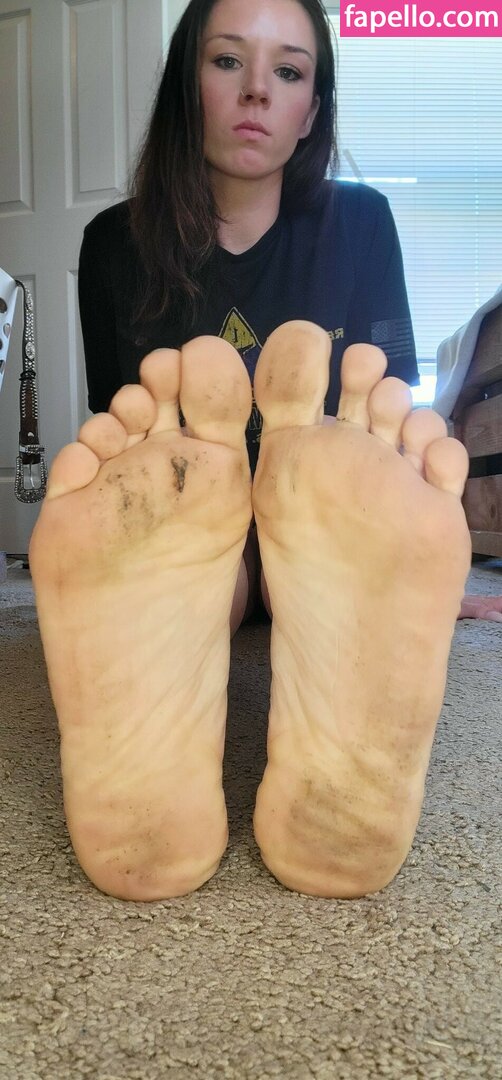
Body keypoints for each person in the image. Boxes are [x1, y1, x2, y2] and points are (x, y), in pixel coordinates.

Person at [28, 0, 482, 903]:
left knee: (293, 545)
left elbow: (384, 416)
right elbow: (126, 449)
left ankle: (327, 602)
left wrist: (412, 554)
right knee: (193, 554)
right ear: (185, 83)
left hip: (317, 520)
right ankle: (185, 621)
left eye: (289, 70)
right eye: (227, 60)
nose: (257, 92)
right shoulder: (113, 246)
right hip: (201, 523)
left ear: (312, 109)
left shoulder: (361, 223)